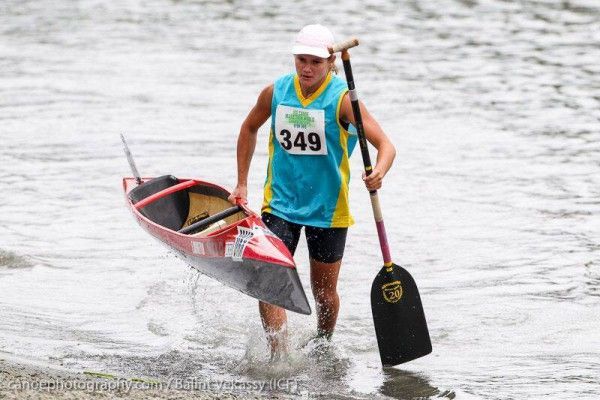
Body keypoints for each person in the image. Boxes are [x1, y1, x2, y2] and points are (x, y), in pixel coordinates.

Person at [228, 24, 396, 359]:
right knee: (269, 281)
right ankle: (279, 357)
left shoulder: (343, 101)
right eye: (301, 60)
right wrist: (242, 182)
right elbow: (249, 128)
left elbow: (386, 145)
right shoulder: (276, 92)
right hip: (280, 205)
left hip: (328, 210)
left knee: (324, 293)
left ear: (330, 62)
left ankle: (323, 342)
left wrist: (379, 172)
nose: (307, 68)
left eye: (316, 62)